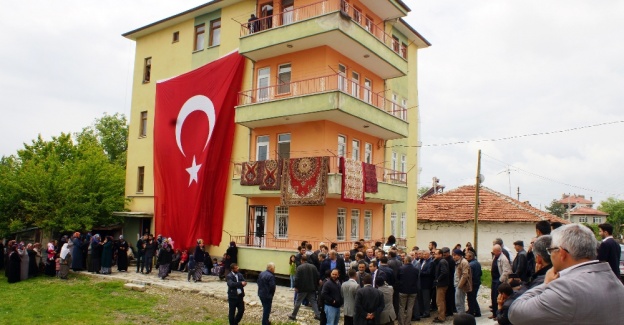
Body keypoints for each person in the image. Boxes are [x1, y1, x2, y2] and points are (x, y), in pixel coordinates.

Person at [509, 224, 624, 324]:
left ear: (562, 253)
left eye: (551, 251)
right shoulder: (613, 280)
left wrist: (546, 284)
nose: (551, 256)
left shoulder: (567, 288)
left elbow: (515, 313)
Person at [289, 254, 321, 321]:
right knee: (313, 302)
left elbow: (297, 279)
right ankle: (318, 315)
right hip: (311, 287)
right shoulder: (313, 267)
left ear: (301, 260)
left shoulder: (300, 267)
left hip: (302, 288)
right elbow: (317, 276)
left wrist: (296, 286)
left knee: (298, 302)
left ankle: (293, 315)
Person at [489, 244, 511, 319]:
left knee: (498, 297)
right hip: (494, 280)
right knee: (493, 296)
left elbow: (506, 271)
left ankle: (499, 314)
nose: (493, 252)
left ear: (498, 251)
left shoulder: (503, 259)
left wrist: (500, 280)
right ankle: (494, 313)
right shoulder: (495, 257)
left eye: (494, 251)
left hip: (499, 280)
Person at [396, 255, 419, 325]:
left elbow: (398, 279)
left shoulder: (401, 269)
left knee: (402, 307)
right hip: (413, 290)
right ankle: (408, 322)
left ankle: (401, 322)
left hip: (403, 290)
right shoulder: (416, 269)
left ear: (405, 261)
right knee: (410, 307)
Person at [452, 249, 472, 314]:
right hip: (457, 284)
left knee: (459, 302)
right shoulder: (458, 262)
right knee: (458, 302)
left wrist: (459, 285)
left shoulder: (464, 262)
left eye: (455, 255)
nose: (453, 257)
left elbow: (465, 275)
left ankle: (461, 317)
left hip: (460, 285)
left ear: (459, 255)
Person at [432, 249, 449, 323]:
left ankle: (441, 317)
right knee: (441, 301)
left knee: (439, 301)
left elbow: (444, 272)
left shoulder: (442, 262)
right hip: (442, 284)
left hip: (442, 284)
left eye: (436, 254)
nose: (434, 255)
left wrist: (438, 280)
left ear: (440, 255)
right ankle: (441, 315)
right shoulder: (439, 261)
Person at [418, 250, 434, 318]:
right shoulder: (422, 261)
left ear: (429, 255)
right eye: (423, 254)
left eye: (425, 254)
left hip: (426, 283)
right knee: (421, 298)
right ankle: (422, 311)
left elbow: (429, 272)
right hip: (421, 283)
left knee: (426, 299)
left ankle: (427, 312)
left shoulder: (430, 262)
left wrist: (420, 273)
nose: (424, 256)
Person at [465, 251, 481, 317]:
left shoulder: (470, 265)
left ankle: (473, 312)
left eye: (466, 256)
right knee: (473, 298)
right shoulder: (477, 263)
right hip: (477, 282)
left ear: (470, 257)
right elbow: (481, 273)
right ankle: (474, 311)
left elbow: (470, 276)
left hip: (473, 283)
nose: (465, 257)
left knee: (471, 298)